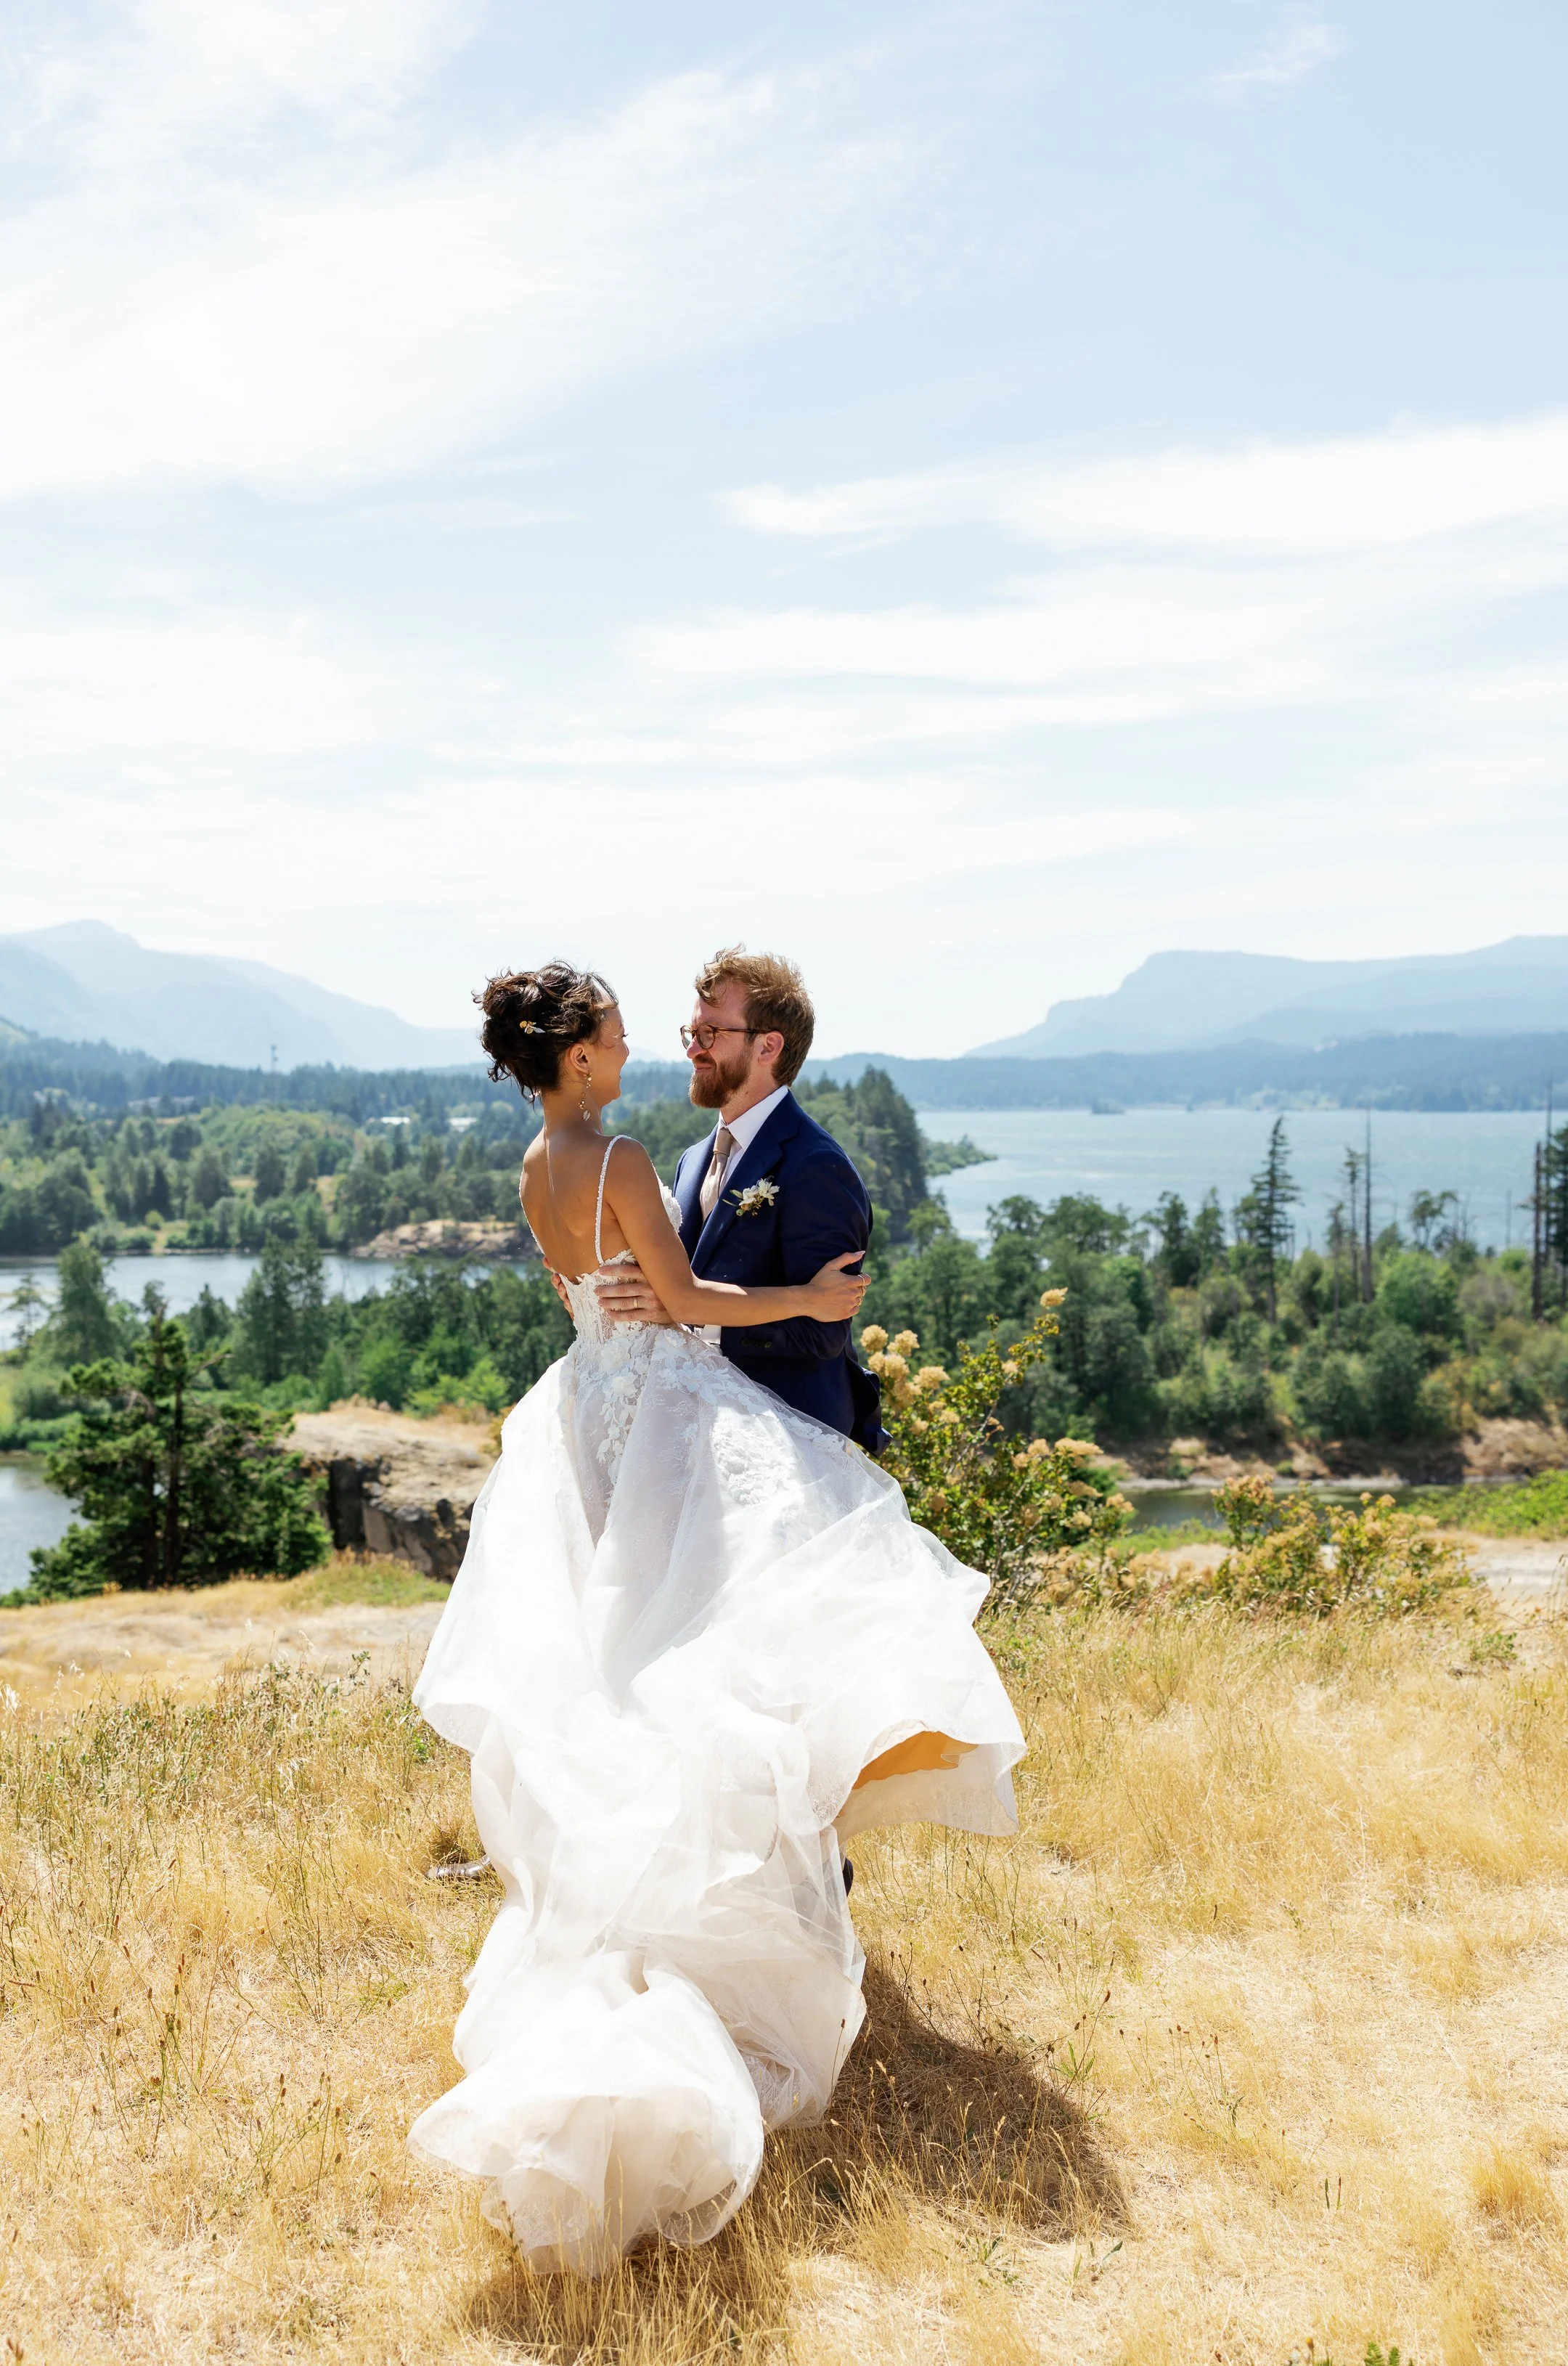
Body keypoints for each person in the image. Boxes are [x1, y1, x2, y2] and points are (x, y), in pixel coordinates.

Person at [409, 958, 1024, 2277]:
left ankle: (687, 1906)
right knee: (732, 1663)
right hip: (679, 1424)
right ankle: (733, 1939)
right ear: (576, 1053)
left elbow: (599, 1298)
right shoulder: (632, 1149)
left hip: (594, 1420)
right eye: (622, 1031)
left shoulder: (537, 1163)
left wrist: (631, 1301)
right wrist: (808, 1301)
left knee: (635, 1681)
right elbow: (680, 1300)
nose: (646, 1043)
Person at [593, 948, 888, 1453]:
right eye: (692, 1034)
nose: (693, 1049)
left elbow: (822, 1333)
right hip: (698, 1438)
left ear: (768, 1046)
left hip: (790, 1441)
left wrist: (690, 1314)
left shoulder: (817, 1166)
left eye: (712, 1033)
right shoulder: (691, 1160)